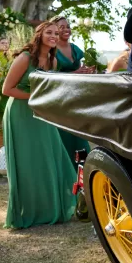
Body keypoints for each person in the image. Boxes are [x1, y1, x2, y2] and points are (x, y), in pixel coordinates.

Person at [2, 22, 76, 229]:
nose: (54, 36)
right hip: (20, 113)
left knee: (49, 157)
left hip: (41, 113)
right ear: (39, 35)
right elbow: (7, 89)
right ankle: (28, 211)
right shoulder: (25, 58)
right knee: (27, 162)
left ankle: (50, 208)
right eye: (49, 32)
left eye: (56, 33)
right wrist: (35, 97)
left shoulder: (52, 62)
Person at [51, 15, 92, 169]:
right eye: (61, 27)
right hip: (60, 99)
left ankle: (83, 167)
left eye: (67, 26)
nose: (66, 29)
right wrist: (76, 73)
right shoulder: (52, 51)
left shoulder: (75, 48)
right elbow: (50, 77)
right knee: (65, 135)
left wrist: (87, 71)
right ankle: (67, 169)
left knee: (79, 135)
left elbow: (80, 69)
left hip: (76, 97)